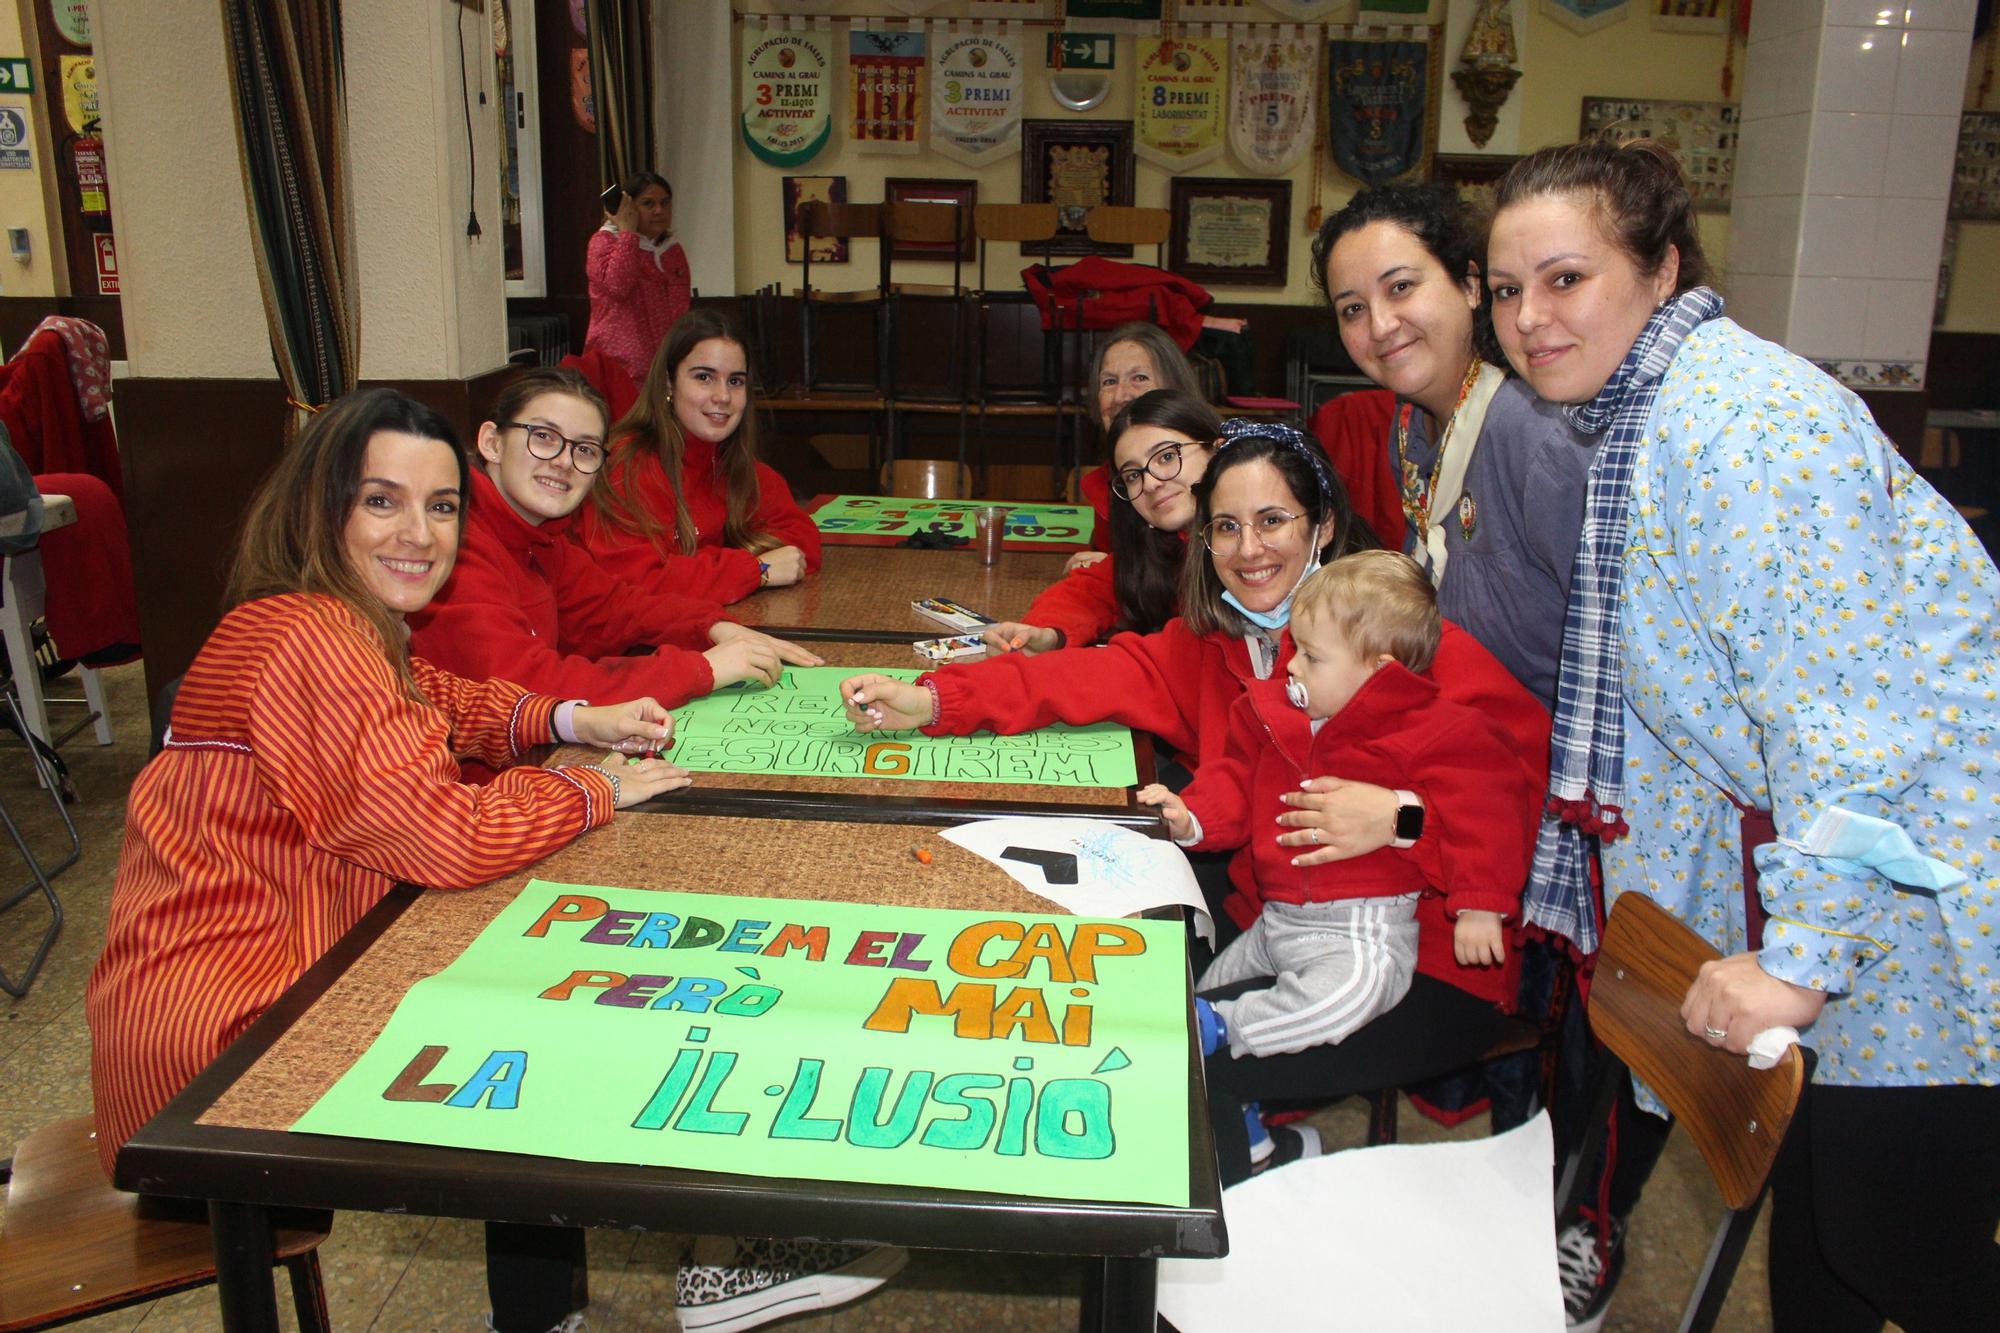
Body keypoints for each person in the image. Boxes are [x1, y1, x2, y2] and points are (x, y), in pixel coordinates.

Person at [84, 388, 901, 1333]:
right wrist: (592, 787)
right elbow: (446, 835)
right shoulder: (309, 639)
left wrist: (566, 721)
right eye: (381, 501)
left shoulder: (327, 617)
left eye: (439, 507)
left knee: (561, 980)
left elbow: (440, 694)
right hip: (222, 1052)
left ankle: (567, 1305)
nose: (419, 534)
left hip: (268, 985)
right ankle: (712, 1260)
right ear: (322, 506)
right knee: (578, 1009)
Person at [1486, 139, 2000, 1333]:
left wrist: (1799, 951)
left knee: (1900, 1252)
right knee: (1821, 1252)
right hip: (1852, 877)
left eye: (1563, 278)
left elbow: (1847, 724)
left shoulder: (1742, 422)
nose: (1528, 318)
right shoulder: (1641, 418)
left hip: (1931, 890)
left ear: (1660, 268)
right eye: (1507, 289)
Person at [840, 421, 1551, 1183]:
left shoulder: (1405, 645)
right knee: (1118, 1004)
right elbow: (1067, 679)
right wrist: (933, 699)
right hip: (1281, 922)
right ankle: (1253, 1154)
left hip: (1432, 962)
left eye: (1273, 521)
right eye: (1227, 527)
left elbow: (1521, 801)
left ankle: (1233, 1202)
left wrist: (1404, 819)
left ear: (1326, 527)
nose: (1250, 550)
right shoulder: (1208, 644)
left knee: (1160, 1062)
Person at [1141, 550, 1535, 1160]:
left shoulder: (1440, 730)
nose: (1291, 667)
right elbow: (1233, 779)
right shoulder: (1279, 714)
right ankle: (1249, 1134)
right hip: (1279, 921)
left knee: (1335, 996)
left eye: (1311, 656)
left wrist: (1481, 906)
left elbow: (1491, 812)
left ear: (1377, 671)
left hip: (1361, 933)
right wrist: (1191, 816)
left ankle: (1232, 1038)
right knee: (1209, 984)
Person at [1312, 182, 1592, 709]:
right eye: (1352, 309)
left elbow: (1608, 651)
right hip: (1453, 733)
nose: (1379, 325)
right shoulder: (1410, 430)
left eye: (1400, 287)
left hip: (1542, 759)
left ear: (1469, 284)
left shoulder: (1534, 435)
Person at [409, 366, 821, 715]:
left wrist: (712, 627)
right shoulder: (453, 544)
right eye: (544, 437)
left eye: (584, 449)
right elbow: (527, 688)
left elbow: (618, 607)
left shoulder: (540, 538)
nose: (563, 462)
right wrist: (702, 668)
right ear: (492, 443)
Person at [575, 309, 820, 605]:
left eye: (735, 381)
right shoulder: (626, 466)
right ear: (668, 383)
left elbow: (801, 542)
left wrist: (700, 570)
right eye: (704, 377)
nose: (723, 396)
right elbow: (642, 583)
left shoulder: (729, 461)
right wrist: (758, 569)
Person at [982, 389, 1217, 656]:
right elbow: (1085, 594)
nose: (1150, 483)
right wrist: (1046, 634)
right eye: (1132, 475)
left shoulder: (1252, 550)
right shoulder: (1157, 549)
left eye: (1166, 457)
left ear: (1217, 448)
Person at [584, 172, 690, 387]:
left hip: (664, 367)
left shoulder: (672, 250)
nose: (659, 210)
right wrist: (628, 233)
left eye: (664, 203)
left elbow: (681, 310)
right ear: (629, 207)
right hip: (619, 369)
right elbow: (618, 286)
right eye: (648, 203)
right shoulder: (603, 242)